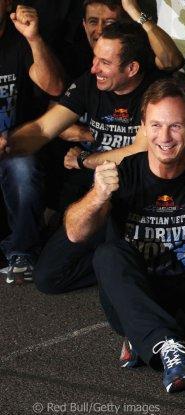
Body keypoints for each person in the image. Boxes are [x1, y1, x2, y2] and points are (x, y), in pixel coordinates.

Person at [65, 78, 185, 393]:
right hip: (137, 294)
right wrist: (98, 196)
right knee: (108, 254)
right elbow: (75, 233)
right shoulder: (123, 172)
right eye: (156, 125)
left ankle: (146, 338)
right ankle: (164, 341)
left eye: (176, 126)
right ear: (143, 127)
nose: (165, 137)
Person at [1, 21, 161, 294]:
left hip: (138, 195)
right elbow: (43, 129)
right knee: (48, 278)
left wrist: (85, 160)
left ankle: (126, 263)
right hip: (96, 193)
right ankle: (113, 264)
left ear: (132, 68)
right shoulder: (90, 83)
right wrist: (7, 144)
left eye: (104, 63)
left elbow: (140, 151)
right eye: (95, 58)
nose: (94, 68)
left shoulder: (156, 93)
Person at [0, 2, 65, 283]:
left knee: (24, 168)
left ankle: (22, 251)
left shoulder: (20, 40)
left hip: (15, 144)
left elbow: (55, 87)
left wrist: (34, 38)